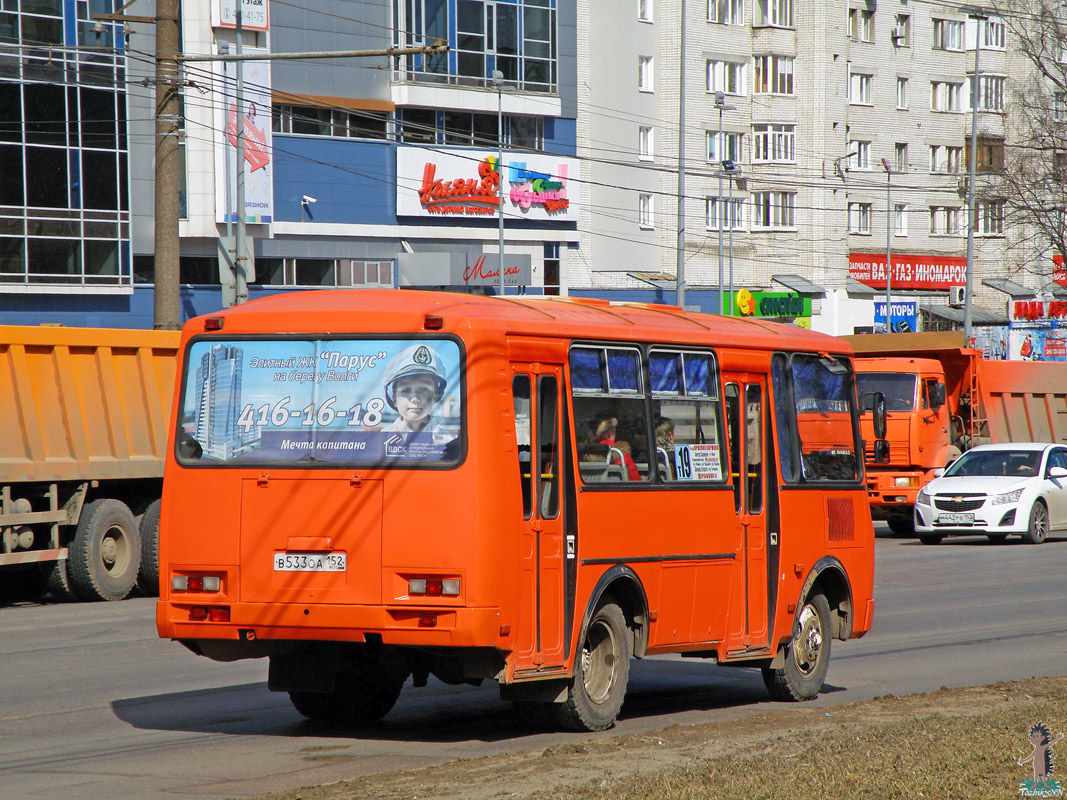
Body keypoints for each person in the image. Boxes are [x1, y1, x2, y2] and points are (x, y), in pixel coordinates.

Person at [381, 344, 455, 443]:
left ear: (435, 396)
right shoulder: (382, 438)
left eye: (424, 390)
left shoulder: (447, 440)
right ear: (394, 398)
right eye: (406, 390)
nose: (415, 398)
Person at [588, 413, 640, 480]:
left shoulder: (586, 454)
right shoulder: (622, 455)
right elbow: (636, 481)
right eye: (614, 431)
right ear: (610, 434)